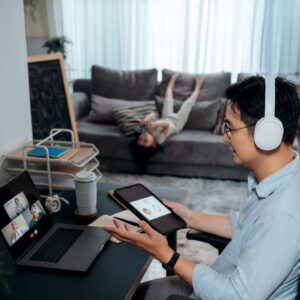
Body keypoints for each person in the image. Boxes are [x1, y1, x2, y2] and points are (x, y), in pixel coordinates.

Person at [105, 75, 300, 299]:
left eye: (230, 127)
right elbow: (244, 227)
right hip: (220, 281)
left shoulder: (282, 214)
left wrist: (165, 253)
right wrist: (190, 218)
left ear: (267, 134)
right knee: (140, 293)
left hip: (225, 293)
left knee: (130, 294)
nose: (225, 138)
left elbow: (237, 296)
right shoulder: (280, 178)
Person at [137, 74, 204, 148]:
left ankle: (172, 80)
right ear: (153, 144)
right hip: (176, 123)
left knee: (168, 99)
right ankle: (198, 86)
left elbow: (153, 114)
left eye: (140, 139)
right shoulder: (159, 140)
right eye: (146, 141)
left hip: (165, 117)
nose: (143, 138)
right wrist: (155, 125)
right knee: (188, 104)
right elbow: (166, 125)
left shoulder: (146, 129)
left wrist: (145, 120)